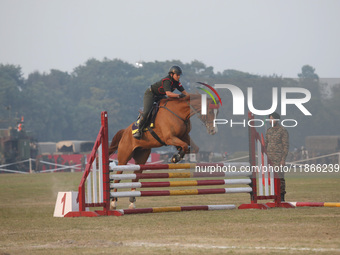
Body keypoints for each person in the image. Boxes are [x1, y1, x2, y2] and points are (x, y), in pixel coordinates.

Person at [133, 65, 189, 139]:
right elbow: (168, 94)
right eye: (177, 75)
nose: (179, 77)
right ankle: (138, 129)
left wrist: (194, 98)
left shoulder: (177, 82)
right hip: (151, 94)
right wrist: (179, 96)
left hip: (160, 96)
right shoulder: (167, 80)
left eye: (179, 75)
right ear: (171, 74)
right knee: (146, 112)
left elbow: (186, 93)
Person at [265, 112, 289, 202]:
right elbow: (266, 144)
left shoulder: (282, 130)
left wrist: (283, 159)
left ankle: (281, 197)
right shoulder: (268, 131)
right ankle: (275, 196)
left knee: (280, 177)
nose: (271, 120)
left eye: (273, 118)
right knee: (272, 178)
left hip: (279, 158)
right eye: (270, 119)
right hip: (270, 158)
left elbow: (285, 146)